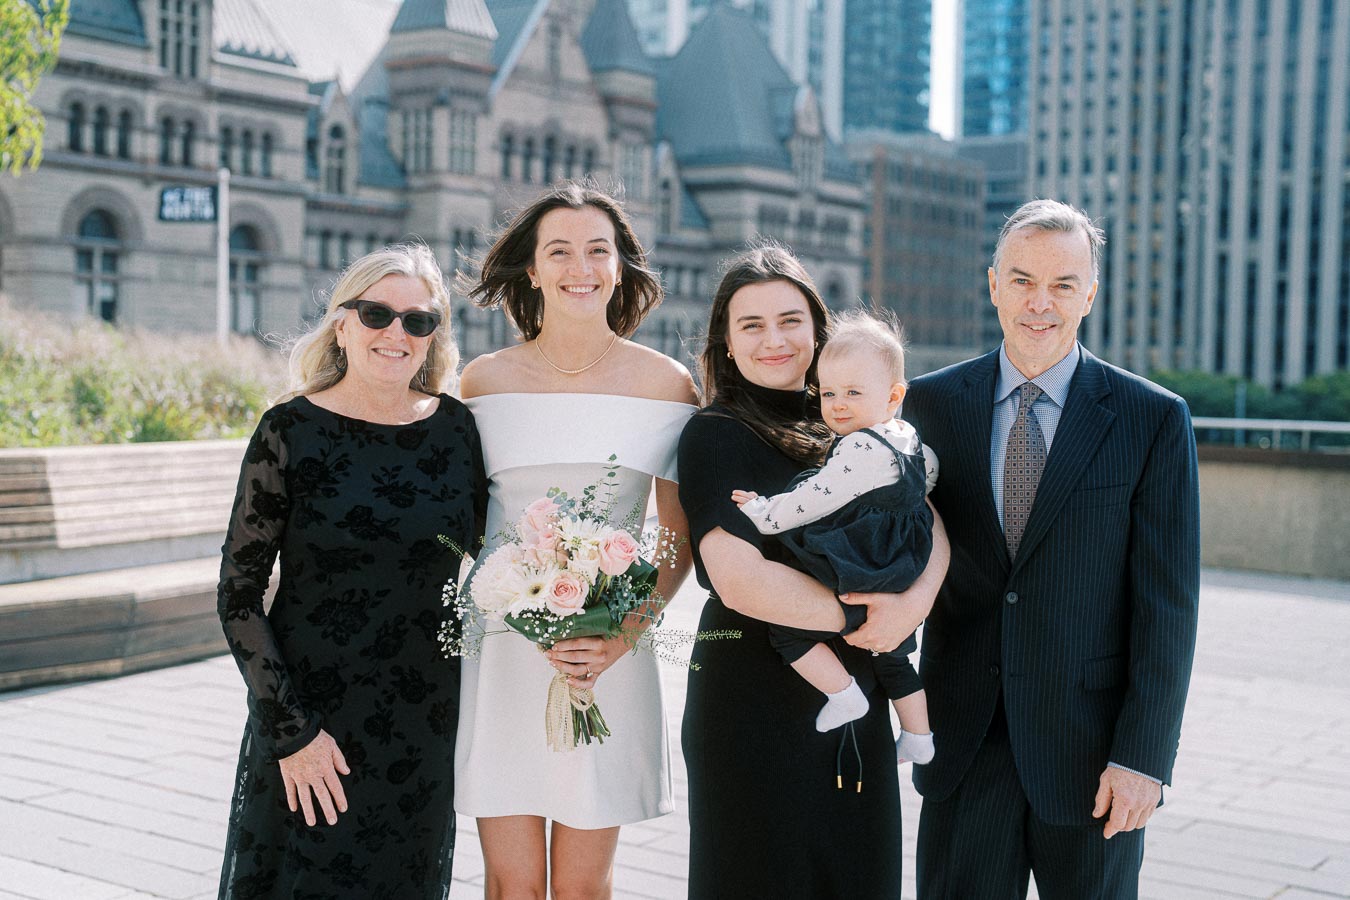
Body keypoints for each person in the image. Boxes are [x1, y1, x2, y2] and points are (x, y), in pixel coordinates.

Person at [904, 199, 1200, 898]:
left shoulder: (1152, 419)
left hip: (1093, 754)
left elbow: (1169, 608)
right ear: (993, 284)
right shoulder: (928, 405)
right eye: (1022, 280)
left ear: (1090, 293)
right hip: (964, 744)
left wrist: (1145, 758)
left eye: (1063, 284)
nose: (1040, 302)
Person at [677, 245, 950, 899]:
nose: (774, 339)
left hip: (858, 688)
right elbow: (738, 577)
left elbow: (929, 524)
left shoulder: (853, 417)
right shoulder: (716, 433)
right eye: (752, 324)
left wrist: (912, 605)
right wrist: (861, 614)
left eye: (790, 319)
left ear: (818, 326)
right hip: (751, 701)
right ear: (726, 341)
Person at [216, 244, 487, 898]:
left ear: (432, 340)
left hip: (423, 727)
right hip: (311, 720)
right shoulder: (290, 431)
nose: (396, 333)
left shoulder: (458, 432)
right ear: (342, 323)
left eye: (418, 322)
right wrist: (291, 732)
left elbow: (499, 555)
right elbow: (239, 597)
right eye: (376, 314)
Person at [453, 182, 697, 899]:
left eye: (598, 250)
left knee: (583, 889)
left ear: (621, 266)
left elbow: (676, 535)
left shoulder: (666, 385)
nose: (579, 267)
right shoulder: (483, 380)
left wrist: (620, 635)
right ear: (532, 270)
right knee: (510, 884)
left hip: (604, 654)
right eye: (559, 251)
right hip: (501, 649)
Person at [731, 308, 937, 763]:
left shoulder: (861, 447)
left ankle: (843, 693)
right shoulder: (905, 435)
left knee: (786, 629)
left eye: (853, 393)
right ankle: (920, 737)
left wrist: (763, 512)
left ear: (893, 396)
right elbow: (929, 477)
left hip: (864, 560)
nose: (838, 404)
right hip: (898, 560)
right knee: (894, 658)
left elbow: (816, 497)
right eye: (828, 393)